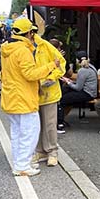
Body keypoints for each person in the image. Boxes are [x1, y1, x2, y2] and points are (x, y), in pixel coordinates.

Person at [0, 18, 60, 177]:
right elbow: (30, 74)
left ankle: (18, 162)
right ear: (29, 32)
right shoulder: (23, 50)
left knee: (17, 132)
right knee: (29, 132)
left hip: (10, 96)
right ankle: (22, 165)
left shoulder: (6, 48)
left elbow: (3, 73)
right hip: (24, 97)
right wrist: (51, 66)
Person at [32, 32, 66, 167]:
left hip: (49, 92)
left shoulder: (46, 46)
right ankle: (40, 150)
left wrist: (51, 77)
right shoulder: (22, 48)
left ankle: (52, 151)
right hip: (32, 93)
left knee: (50, 124)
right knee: (36, 125)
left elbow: (61, 63)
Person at [57, 51, 98, 133]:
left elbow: (78, 88)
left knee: (62, 100)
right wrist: (70, 82)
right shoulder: (91, 67)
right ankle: (60, 118)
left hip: (87, 94)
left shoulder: (82, 70)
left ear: (77, 60)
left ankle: (59, 123)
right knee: (66, 91)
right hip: (91, 92)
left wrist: (68, 82)